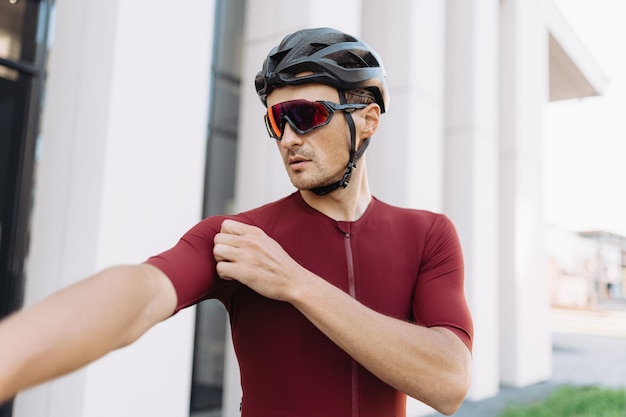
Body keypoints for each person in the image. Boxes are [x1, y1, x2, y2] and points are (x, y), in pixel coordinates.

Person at [0, 27, 473, 416]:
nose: (287, 138)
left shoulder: (428, 234)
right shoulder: (241, 238)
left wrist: (296, 283)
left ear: (367, 119)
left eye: (305, 115)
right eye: (275, 120)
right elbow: (140, 292)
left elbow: (449, 383)